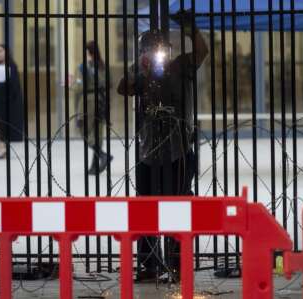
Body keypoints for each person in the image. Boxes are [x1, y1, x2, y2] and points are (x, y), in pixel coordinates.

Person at [117, 10, 208, 281]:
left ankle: (177, 262)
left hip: (177, 147)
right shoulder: (141, 71)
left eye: (160, 50)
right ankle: (148, 263)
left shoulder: (180, 66)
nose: (157, 54)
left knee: (177, 203)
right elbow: (123, 88)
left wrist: (191, 29)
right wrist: (140, 69)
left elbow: (202, 52)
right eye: (151, 50)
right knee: (145, 205)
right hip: (148, 150)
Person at [72, 41, 112, 174]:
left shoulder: (83, 67)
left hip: (87, 103)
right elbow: (110, 83)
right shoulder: (103, 66)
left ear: (88, 52)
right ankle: (94, 167)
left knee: (84, 132)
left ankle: (102, 155)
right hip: (102, 101)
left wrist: (70, 84)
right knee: (98, 134)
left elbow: (78, 87)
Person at [0, 44, 24, 159]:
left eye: (1, 51)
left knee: (6, 125)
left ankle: (5, 148)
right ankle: (1, 149)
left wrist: (1, 83)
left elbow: (14, 85)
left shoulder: (12, 66)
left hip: (8, 101)